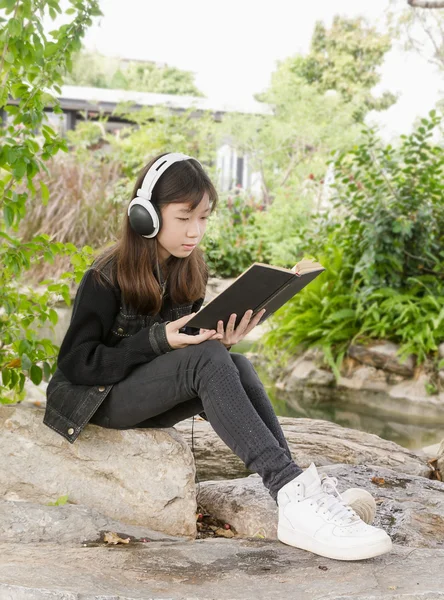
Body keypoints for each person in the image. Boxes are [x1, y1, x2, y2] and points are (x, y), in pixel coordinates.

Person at [43, 151, 392, 561]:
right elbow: (76, 364)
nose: (195, 231)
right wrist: (159, 341)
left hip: (143, 395)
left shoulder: (189, 269)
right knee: (208, 359)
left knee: (236, 363)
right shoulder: (105, 275)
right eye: (184, 217)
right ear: (146, 216)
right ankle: (291, 493)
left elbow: (188, 358)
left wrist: (222, 340)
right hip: (96, 402)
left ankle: (297, 494)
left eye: (204, 218)